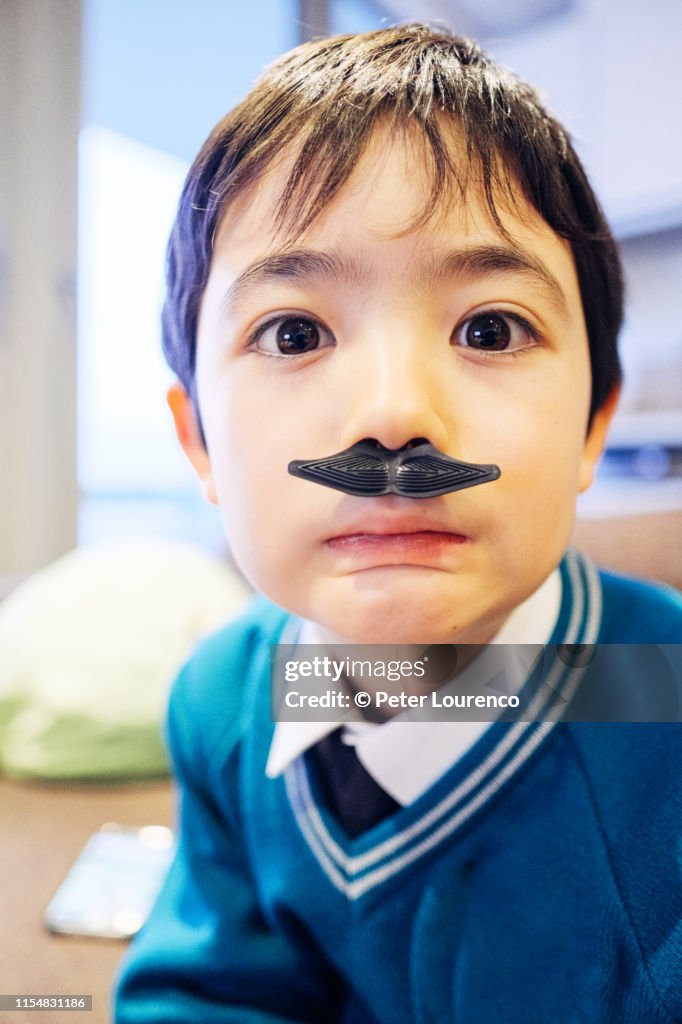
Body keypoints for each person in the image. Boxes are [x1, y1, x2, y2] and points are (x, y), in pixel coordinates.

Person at [113, 23, 682, 1024]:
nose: (391, 415)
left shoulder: (656, 696)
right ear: (197, 439)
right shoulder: (222, 700)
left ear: (595, 420)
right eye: (294, 332)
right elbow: (212, 987)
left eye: (489, 328)